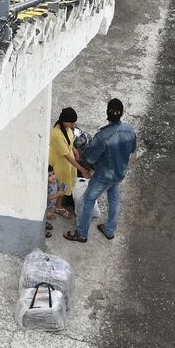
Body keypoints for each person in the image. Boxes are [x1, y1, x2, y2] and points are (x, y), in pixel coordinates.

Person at [63, 98, 137, 242]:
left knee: (88, 200)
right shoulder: (130, 130)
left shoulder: (103, 136)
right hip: (120, 172)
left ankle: (82, 233)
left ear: (107, 113)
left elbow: (89, 159)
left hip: (104, 175)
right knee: (114, 199)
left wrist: (82, 165)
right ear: (122, 113)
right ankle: (109, 230)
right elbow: (133, 150)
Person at [47, 107, 87, 228]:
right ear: (64, 121)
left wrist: (74, 149)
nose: (73, 124)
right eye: (72, 122)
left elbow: (69, 141)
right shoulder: (56, 135)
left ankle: (59, 204)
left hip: (67, 162)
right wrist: (82, 169)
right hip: (61, 164)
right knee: (61, 186)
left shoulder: (67, 128)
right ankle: (58, 207)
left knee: (64, 185)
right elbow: (66, 156)